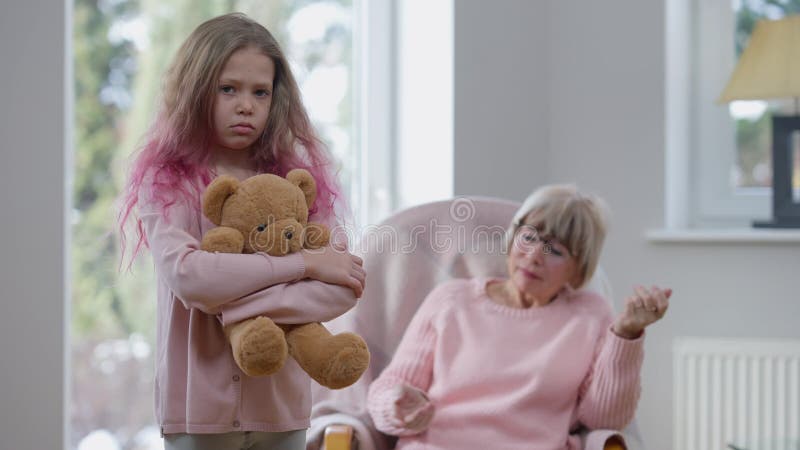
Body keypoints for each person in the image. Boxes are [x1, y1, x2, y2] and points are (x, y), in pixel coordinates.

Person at [117, 13, 366, 450]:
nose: (246, 105)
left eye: (260, 92)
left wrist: (228, 298)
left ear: (276, 99)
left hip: (281, 409)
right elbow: (191, 279)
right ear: (197, 90)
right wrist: (303, 264)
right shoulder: (168, 182)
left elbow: (341, 285)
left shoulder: (299, 183)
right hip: (198, 414)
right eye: (228, 88)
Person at [366, 185, 671, 450]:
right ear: (513, 237)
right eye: (530, 236)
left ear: (579, 269)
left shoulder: (590, 315)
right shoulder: (451, 301)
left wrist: (627, 335)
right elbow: (388, 387)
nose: (535, 255)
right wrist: (396, 405)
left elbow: (605, 418)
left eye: (555, 249)